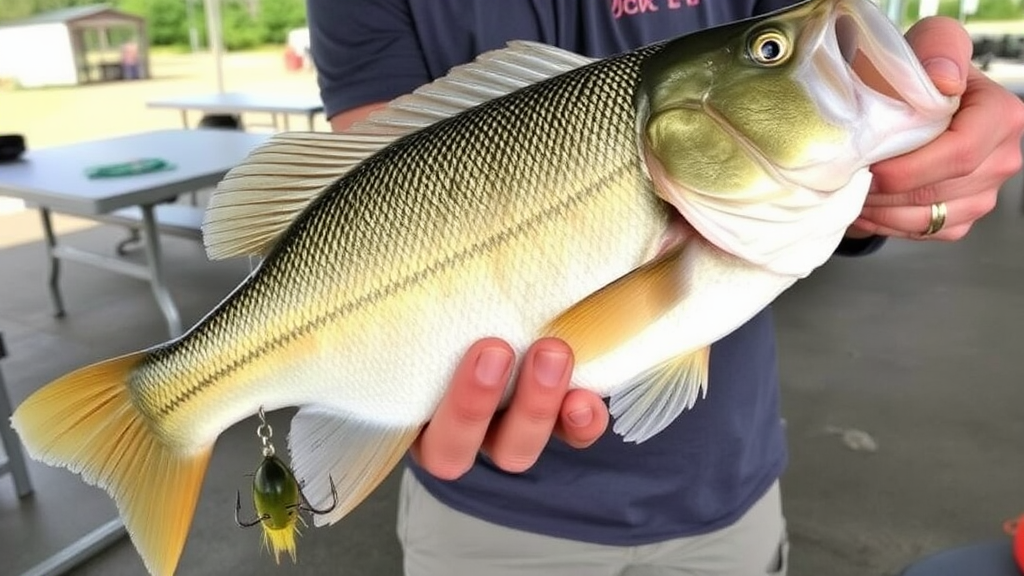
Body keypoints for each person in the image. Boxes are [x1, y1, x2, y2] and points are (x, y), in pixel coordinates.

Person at [306, 1, 1024, 574]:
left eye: (768, 49)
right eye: (770, 48)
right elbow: (376, 195)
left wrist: (908, 180)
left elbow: (818, 105)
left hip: (727, 492)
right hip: (485, 520)